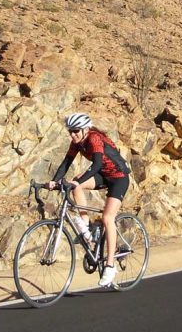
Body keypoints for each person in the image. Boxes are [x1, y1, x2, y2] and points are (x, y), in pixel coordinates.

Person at [46, 112, 130, 288]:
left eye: (75, 131)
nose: (72, 135)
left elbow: (97, 164)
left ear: (85, 129)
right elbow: (65, 163)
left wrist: (78, 179)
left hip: (119, 177)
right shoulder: (77, 142)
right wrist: (54, 181)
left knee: (108, 218)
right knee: (76, 185)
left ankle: (110, 265)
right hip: (103, 175)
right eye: (70, 131)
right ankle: (86, 227)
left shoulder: (94, 138)